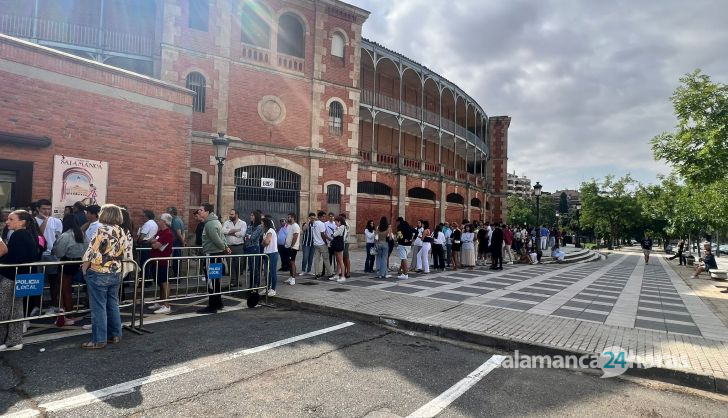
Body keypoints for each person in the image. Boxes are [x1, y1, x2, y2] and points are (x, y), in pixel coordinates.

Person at [80, 204, 132, 349]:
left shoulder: (101, 230)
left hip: (100, 271)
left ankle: (99, 339)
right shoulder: (121, 230)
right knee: (112, 304)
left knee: (98, 308)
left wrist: (84, 268)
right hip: (116, 270)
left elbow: (91, 252)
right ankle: (115, 334)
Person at [0, 210, 41, 351]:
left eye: (11, 219)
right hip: (20, 276)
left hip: (12, 276)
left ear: (22, 221)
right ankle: (15, 341)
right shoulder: (28, 235)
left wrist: (2, 259)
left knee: (4, 309)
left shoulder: (19, 235)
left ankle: (4, 341)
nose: (7, 222)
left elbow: (14, 258)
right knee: (16, 309)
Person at [52, 214, 87, 326]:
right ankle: (67, 313)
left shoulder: (65, 235)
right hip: (77, 263)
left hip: (66, 263)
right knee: (66, 289)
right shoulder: (82, 234)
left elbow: (59, 252)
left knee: (65, 289)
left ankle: (68, 315)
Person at [196, 203, 230, 314]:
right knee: (216, 280)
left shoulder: (209, 224)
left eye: (201, 210)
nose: (199, 212)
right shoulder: (215, 221)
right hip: (216, 254)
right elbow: (222, 237)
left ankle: (212, 306)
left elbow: (217, 239)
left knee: (211, 281)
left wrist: (223, 248)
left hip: (212, 255)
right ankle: (218, 303)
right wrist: (225, 247)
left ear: (207, 212)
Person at [34, 199, 63, 314]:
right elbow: (38, 235)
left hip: (52, 255)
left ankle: (53, 305)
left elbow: (58, 238)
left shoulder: (57, 221)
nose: (46, 211)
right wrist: (45, 221)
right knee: (37, 281)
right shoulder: (33, 221)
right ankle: (36, 305)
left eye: (48, 209)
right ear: (38, 209)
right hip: (38, 255)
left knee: (53, 281)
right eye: (43, 209)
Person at [147, 213, 174, 314]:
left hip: (162, 261)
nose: (158, 221)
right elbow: (153, 241)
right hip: (155, 260)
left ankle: (166, 305)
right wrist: (153, 242)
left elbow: (155, 245)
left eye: (159, 220)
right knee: (160, 283)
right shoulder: (160, 232)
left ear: (164, 222)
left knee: (164, 282)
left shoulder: (167, 233)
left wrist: (152, 242)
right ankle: (161, 301)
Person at [222, 209, 246, 287]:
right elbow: (223, 231)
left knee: (239, 264)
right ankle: (233, 281)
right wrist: (234, 230)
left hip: (239, 246)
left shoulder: (243, 223)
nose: (230, 215)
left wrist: (230, 233)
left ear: (236, 215)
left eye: (232, 214)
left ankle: (237, 280)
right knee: (230, 264)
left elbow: (242, 233)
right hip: (229, 246)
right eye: (230, 214)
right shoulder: (226, 222)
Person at [243, 211, 264, 289]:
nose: (250, 216)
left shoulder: (259, 226)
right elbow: (245, 235)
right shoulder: (250, 225)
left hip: (254, 247)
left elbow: (253, 237)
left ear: (256, 216)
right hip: (248, 247)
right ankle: (251, 285)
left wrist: (248, 236)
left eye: (252, 215)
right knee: (251, 268)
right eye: (250, 215)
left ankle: (256, 285)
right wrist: (248, 236)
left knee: (255, 267)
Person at [313, 211, 334, 279]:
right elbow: (323, 234)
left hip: (316, 243)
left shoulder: (314, 223)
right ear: (319, 217)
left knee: (317, 259)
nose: (324, 218)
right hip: (322, 244)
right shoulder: (321, 224)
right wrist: (326, 241)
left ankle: (316, 274)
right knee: (326, 259)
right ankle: (330, 273)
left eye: (325, 216)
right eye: (323, 216)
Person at [261, 217, 279, 295]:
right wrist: (264, 242)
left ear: (265, 223)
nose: (261, 224)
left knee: (272, 271)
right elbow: (263, 243)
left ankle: (273, 289)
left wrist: (264, 242)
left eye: (262, 223)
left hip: (272, 253)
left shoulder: (270, 231)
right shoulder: (266, 232)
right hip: (267, 253)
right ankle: (267, 288)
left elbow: (266, 242)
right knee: (267, 272)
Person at [167, 207, 186, 277]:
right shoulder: (179, 219)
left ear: (171, 213)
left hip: (176, 242)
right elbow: (183, 232)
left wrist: (182, 242)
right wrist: (183, 241)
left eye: (168, 212)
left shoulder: (175, 220)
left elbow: (178, 233)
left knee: (176, 260)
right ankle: (177, 276)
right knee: (177, 260)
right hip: (178, 242)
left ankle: (176, 277)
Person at [284, 213, 300, 284]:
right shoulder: (289, 226)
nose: (288, 218)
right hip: (287, 246)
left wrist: (291, 246)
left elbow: (295, 236)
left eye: (289, 217)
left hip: (293, 247)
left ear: (293, 218)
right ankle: (290, 277)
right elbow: (288, 235)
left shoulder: (296, 226)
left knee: (292, 262)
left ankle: (293, 278)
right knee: (289, 262)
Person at [330, 216, 347, 282]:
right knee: (338, 260)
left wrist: (335, 230)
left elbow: (334, 234)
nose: (335, 223)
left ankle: (342, 276)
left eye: (336, 222)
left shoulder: (342, 227)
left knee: (340, 261)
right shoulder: (340, 227)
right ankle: (337, 275)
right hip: (338, 244)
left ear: (339, 222)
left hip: (339, 244)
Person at [340, 213, 352, 278]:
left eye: (341, 218)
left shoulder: (346, 225)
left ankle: (348, 272)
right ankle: (344, 271)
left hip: (346, 242)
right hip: (343, 242)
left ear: (344, 218)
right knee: (343, 257)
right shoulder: (342, 224)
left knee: (346, 257)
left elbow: (345, 234)